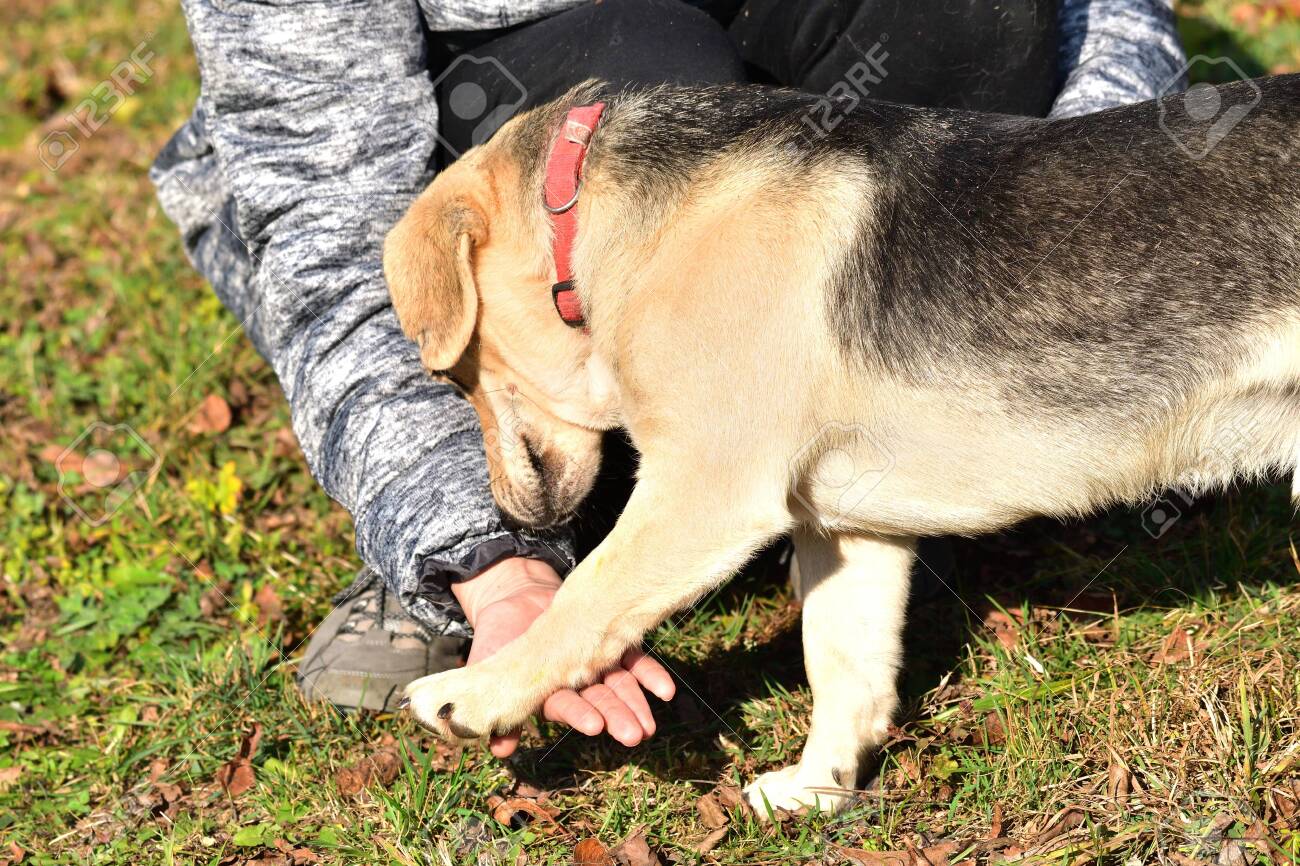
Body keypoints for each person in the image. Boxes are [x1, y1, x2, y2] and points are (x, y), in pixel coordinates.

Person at [152, 0, 1187, 756]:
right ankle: (533, 538)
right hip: (505, 113)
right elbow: (326, 215)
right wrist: (476, 547)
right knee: (647, 75)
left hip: (790, 129)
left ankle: (870, 420)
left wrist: (1073, 210)